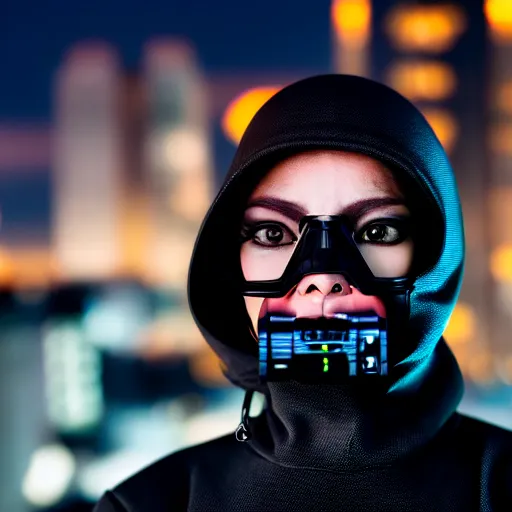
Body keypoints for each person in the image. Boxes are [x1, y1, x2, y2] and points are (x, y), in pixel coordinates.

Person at [93, 75, 512, 511]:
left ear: (436, 256)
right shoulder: (145, 505)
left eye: (378, 230)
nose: (322, 277)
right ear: (226, 262)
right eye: (273, 233)